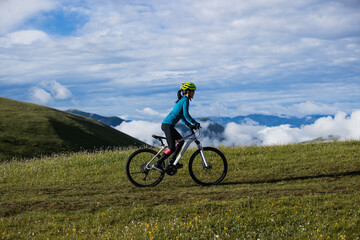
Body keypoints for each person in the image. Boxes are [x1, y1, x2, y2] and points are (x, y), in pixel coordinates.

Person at [153, 82, 200, 172]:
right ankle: (158, 163)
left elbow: (181, 116)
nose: (194, 93)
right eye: (193, 91)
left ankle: (172, 162)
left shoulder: (182, 100)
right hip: (168, 126)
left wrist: (189, 125)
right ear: (188, 91)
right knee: (172, 148)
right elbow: (186, 114)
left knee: (181, 142)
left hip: (168, 125)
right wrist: (195, 123)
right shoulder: (185, 100)